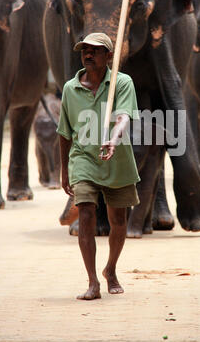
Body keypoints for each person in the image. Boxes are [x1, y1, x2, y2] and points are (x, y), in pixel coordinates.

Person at [57, 32, 140, 300]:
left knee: (118, 221)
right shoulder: (71, 88)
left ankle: (111, 270)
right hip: (83, 158)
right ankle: (92, 282)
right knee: (87, 215)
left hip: (117, 158)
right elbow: (64, 132)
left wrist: (114, 139)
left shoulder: (122, 82)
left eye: (95, 51)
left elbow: (125, 115)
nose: (88, 55)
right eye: (85, 51)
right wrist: (63, 170)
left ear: (108, 57)